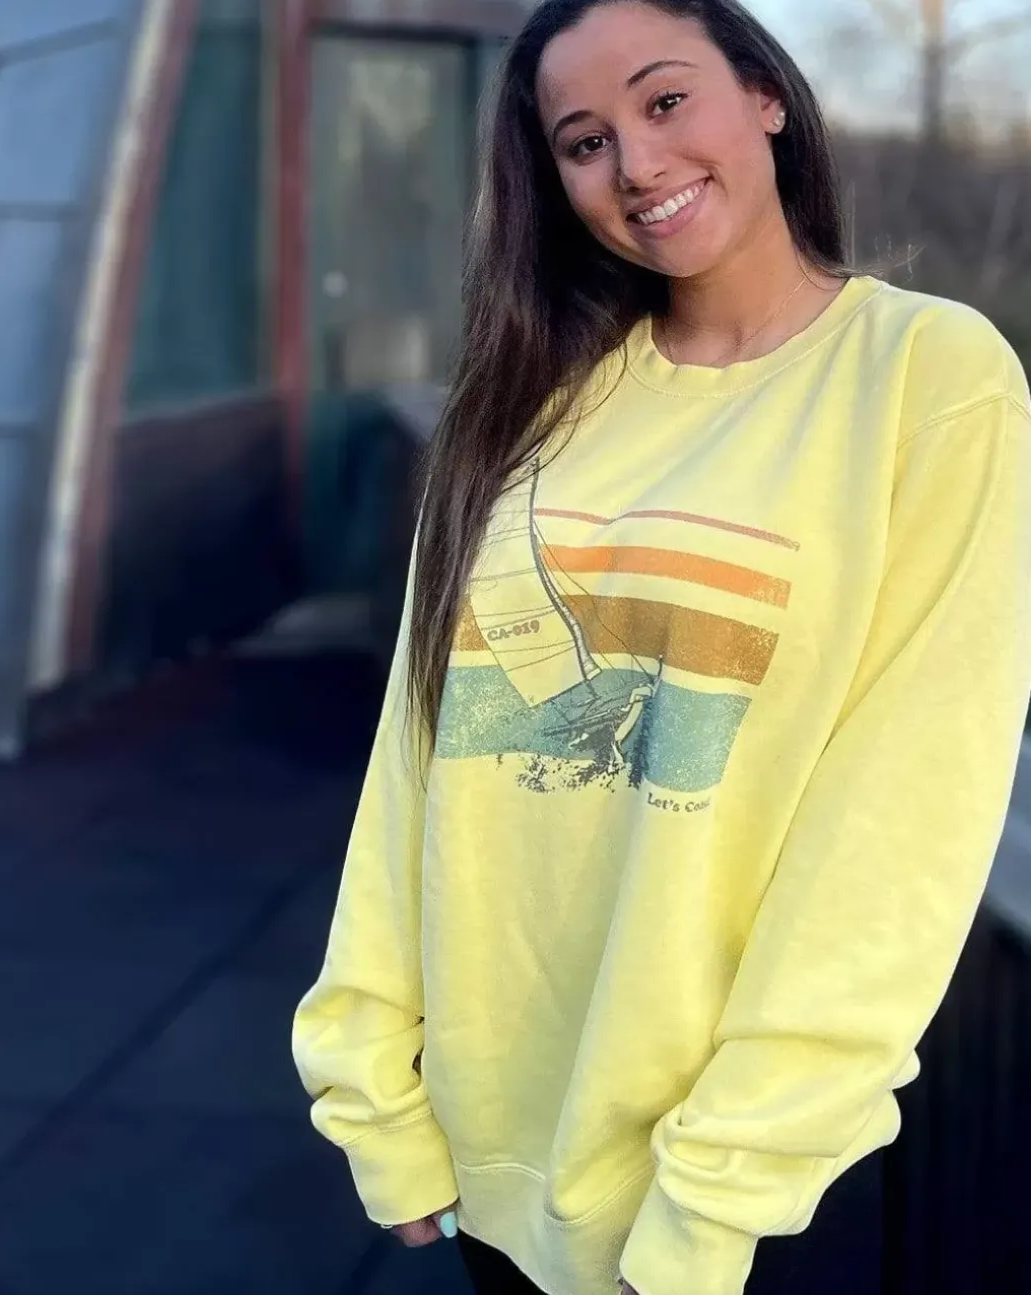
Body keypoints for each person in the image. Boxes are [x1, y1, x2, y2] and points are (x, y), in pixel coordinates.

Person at [292, 0, 1031, 1292]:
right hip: (490, 1170)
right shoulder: (530, 400)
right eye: (584, 141)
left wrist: (717, 1199)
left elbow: (903, 823)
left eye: (665, 100)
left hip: (736, 1210)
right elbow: (416, 760)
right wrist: (368, 1082)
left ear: (766, 95)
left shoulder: (928, 379)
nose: (635, 164)